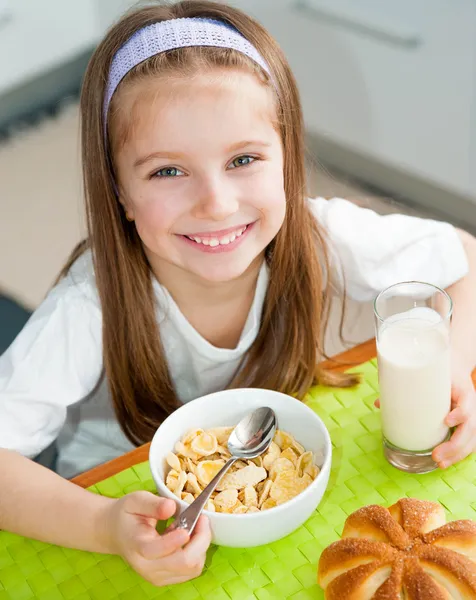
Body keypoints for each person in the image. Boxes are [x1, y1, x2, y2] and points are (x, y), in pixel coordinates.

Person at [1, 0, 475, 588]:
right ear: (118, 191)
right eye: (167, 172)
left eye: (244, 159)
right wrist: (104, 525)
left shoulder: (317, 232)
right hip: (118, 505)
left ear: (286, 161)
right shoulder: (88, 305)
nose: (217, 204)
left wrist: (453, 365)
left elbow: (461, 256)